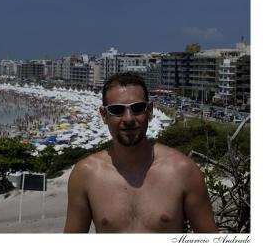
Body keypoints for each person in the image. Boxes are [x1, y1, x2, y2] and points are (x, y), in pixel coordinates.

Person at [64, 72, 217, 233]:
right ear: (104, 115)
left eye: (137, 108)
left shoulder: (183, 171)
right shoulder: (86, 174)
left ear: (149, 110)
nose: (128, 119)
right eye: (117, 110)